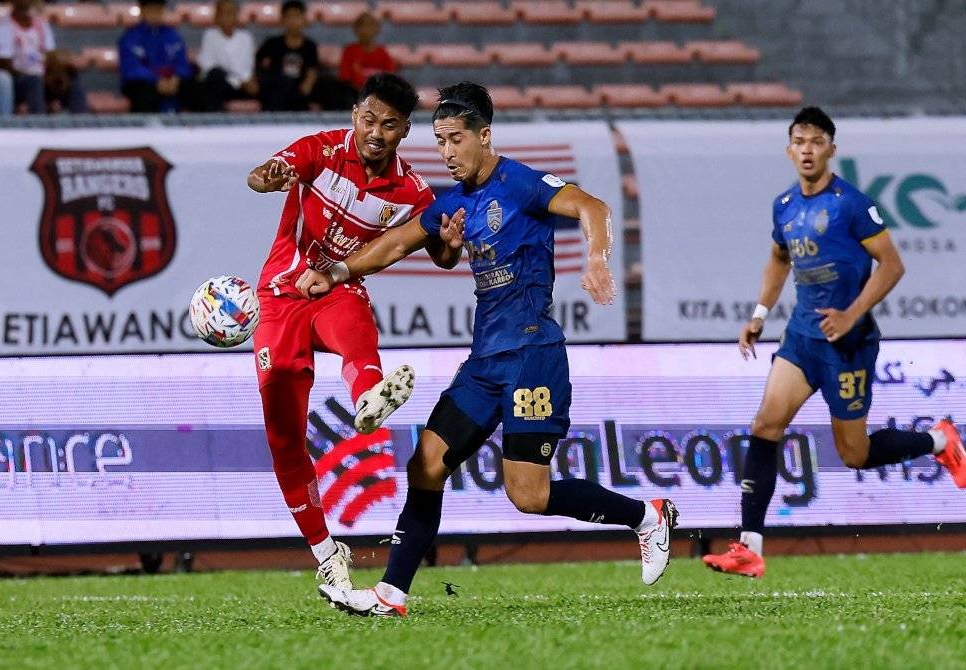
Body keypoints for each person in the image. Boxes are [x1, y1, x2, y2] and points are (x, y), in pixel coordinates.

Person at [303, 82, 679, 617]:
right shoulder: (452, 202)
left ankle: (646, 515)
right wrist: (337, 272)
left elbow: (593, 207)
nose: (447, 153)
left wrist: (596, 260)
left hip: (532, 355)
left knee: (529, 495)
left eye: (456, 140)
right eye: (439, 142)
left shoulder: (521, 183)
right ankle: (392, 595)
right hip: (484, 364)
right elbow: (396, 243)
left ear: (484, 135)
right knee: (425, 464)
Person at [702, 107, 966, 579]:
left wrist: (851, 315)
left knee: (854, 454)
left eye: (816, 141)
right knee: (765, 424)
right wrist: (759, 316)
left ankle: (940, 439)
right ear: (789, 150)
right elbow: (779, 260)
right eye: (799, 141)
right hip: (803, 337)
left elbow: (892, 266)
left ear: (831, 150)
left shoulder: (851, 203)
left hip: (849, 343)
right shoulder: (783, 205)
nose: (807, 149)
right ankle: (749, 547)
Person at [245, 73, 437, 593]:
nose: (376, 131)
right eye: (369, 119)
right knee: (284, 435)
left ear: (404, 132)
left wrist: (453, 240)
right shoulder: (321, 150)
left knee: (355, 327)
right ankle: (326, 551)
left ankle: (370, 396)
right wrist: (269, 176)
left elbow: (440, 249)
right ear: (356, 115)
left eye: (389, 125)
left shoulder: (411, 191)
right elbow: (272, 172)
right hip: (282, 293)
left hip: (335, 287)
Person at [118, 0, 195, 113]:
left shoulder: (173, 35)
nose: (155, 14)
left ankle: (209, 126)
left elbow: (182, 63)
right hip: (145, 83)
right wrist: (156, 80)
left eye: (158, 10)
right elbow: (131, 68)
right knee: (143, 91)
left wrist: (176, 78)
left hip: (171, 81)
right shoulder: (131, 37)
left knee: (197, 88)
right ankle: (143, 127)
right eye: (151, 10)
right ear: (142, 11)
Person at [254, 0, 318, 112]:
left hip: (298, 89)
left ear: (304, 20)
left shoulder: (310, 46)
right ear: (282, 20)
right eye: (289, 17)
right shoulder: (272, 43)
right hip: (276, 88)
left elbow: (312, 69)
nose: (293, 21)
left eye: (297, 16)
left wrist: (308, 83)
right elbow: (256, 62)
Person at [0, 0, 55, 113]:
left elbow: (51, 55)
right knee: (33, 81)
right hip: (18, 80)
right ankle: (38, 125)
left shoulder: (41, 23)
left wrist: (50, 74)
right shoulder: (4, 26)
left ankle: (82, 126)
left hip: (43, 76)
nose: (25, 5)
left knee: (71, 83)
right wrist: (32, 74)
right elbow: (4, 64)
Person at [196, 0, 258, 112]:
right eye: (223, 13)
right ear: (216, 17)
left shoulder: (246, 37)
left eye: (230, 13)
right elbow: (209, 66)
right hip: (221, 83)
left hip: (242, 86)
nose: (227, 17)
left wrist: (246, 81)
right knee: (215, 76)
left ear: (236, 15)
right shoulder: (210, 36)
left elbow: (248, 66)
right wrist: (236, 80)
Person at [339, 11, 396, 93]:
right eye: (362, 25)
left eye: (370, 25)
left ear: (377, 29)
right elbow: (345, 79)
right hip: (354, 96)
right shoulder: (349, 51)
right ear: (355, 29)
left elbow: (390, 79)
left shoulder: (383, 53)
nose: (365, 29)